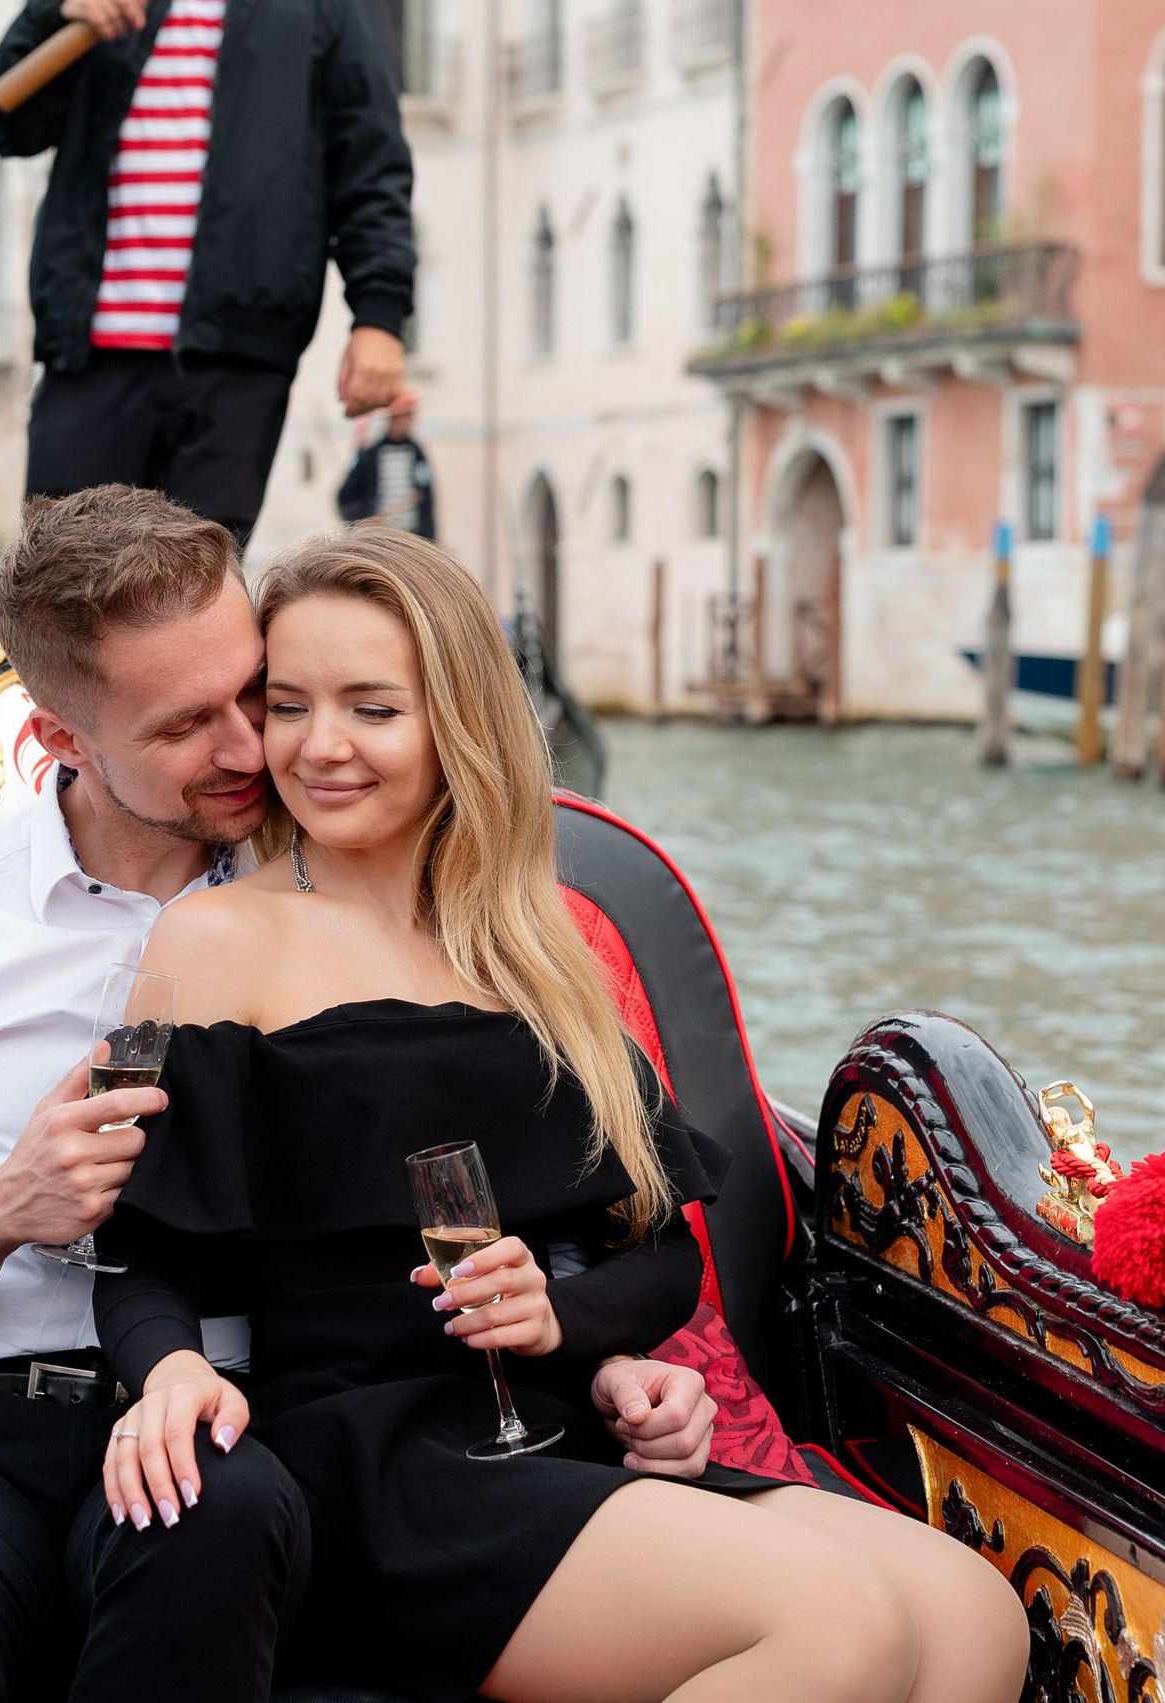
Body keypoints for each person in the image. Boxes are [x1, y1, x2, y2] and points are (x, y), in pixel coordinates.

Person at [0, 486, 723, 1703]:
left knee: (215, 1511)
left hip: (245, 1420)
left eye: (253, 693)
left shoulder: (358, 886)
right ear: (60, 739)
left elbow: (527, 1186)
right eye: (184, 725)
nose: (250, 748)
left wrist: (589, 1345)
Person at [94, 527, 1034, 1703]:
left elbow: (660, 1253)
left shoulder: (536, 950)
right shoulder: (209, 939)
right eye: (288, 705)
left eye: (372, 709)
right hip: (375, 1461)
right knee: (841, 1623)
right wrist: (172, 1369)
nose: (319, 744)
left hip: (561, 1426)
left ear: (459, 724)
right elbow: (135, 1246)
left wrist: (565, 1324)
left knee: (970, 1617)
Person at [0, 0, 414, 545]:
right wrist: (54, 10)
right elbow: (4, 123)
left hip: (237, 358)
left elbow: (371, 159)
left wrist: (379, 316)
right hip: (87, 356)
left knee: (199, 584)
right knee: (57, 576)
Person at [334, 396, 434, 538]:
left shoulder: (417, 453)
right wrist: (358, 523)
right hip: (382, 537)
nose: (411, 422)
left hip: (413, 536)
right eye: (407, 416)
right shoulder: (370, 455)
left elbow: (427, 498)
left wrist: (431, 538)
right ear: (394, 418)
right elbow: (345, 496)